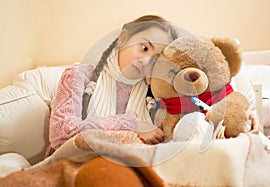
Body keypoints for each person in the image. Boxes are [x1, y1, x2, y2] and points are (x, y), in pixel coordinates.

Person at [45, 15, 178, 156]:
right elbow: (60, 135)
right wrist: (131, 125)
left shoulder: (153, 94)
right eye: (144, 48)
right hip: (73, 167)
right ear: (123, 38)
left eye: (155, 60)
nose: (145, 62)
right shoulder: (80, 75)